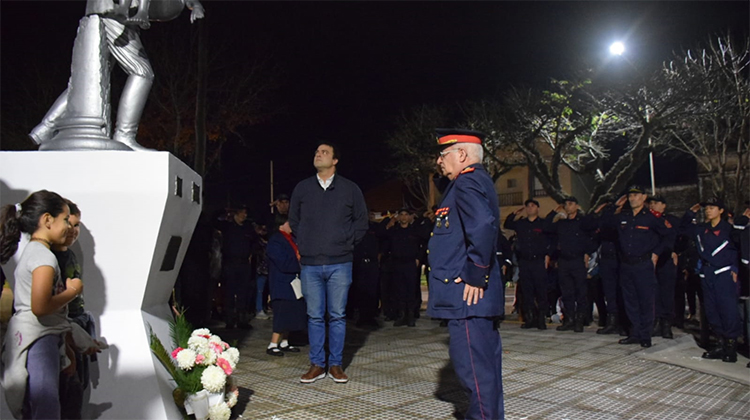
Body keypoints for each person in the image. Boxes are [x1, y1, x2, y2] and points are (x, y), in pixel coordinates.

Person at [29, 0, 205, 150]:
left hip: (114, 16)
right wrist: (142, 10)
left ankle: (45, 128)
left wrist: (194, 4)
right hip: (115, 15)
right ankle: (124, 134)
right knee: (142, 72)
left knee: (92, 79)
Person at [0, 190, 99, 419]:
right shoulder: (43, 258)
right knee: (46, 404)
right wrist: (73, 291)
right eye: (65, 220)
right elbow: (41, 306)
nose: (68, 227)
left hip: (41, 336)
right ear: (47, 220)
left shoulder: (36, 253)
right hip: (39, 339)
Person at [427, 129, 504, 419]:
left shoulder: (468, 181)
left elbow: (483, 225)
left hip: (468, 298)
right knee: (484, 373)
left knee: (475, 375)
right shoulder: (470, 181)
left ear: (461, 155)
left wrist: (475, 274)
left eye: (443, 154)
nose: (438, 161)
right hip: (471, 300)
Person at [289, 142, 368, 384]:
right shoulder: (302, 188)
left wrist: (345, 243)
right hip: (311, 264)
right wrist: (306, 243)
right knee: (314, 316)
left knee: (337, 315)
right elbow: (294, 221)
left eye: (324, 152)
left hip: (340, 263)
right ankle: (317, 365)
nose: (318, 155)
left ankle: (335, 364)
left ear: (335, 160)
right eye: (316, 152)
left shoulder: (349, 189)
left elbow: (362, 221)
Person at [602, 186, 672, 348]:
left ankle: (645, 335)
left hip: (643, 264)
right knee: (630, 301)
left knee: (646, 301)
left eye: (635, 195)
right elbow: (604, 222)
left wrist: (656, 253)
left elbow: (668, 236)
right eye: (630, 196)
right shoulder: (623, 216)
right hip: (626, 264)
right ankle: (635, 333)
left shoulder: (651, 217)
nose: (632, 198)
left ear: (643, 197)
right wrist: (615, 206)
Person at [681, 198, 742, 362]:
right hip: (706, 273)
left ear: (721, 210)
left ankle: (731, 347)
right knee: (711, 311)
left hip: (724, 273)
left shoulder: (729, 229)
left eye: (712, 207)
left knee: (727, 310)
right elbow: (682, 228)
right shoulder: (701, 229)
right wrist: (691, 212)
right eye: (706, 208)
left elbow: (740, 249)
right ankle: (720, 343)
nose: (708, 210)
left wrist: (735, 269)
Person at [545, 197, 595, 333]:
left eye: (571, 204)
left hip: (578, 260)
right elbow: (547, 227)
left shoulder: (582, 222)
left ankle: (580, 320)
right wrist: (554, 212)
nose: (568, 207)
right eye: (566, 204)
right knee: (567, 293)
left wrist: (587, 252)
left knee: (581, 292)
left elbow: (593, 234)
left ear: (576, 206)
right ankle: (569, 319)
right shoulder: (562, 224)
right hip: (564, 261)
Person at [504, 199, 550, 329]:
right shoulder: (521, 223)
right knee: (527, 291)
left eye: (533, 206)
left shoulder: (542, 224)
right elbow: (508, 224)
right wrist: (514, 213)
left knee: (541, 291)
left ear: (537, 208)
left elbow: (550, 238)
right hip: (524, 261)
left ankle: (541, 319)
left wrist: (547, 254)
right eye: (528, 206)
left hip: (538, 261)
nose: (530, 208)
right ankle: (529, 318)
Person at [265, 219, 306, 357]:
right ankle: (273, 344)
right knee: (282, 313)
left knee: (291, 311)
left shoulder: (292, 238)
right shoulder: (275, 240)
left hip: (293, 282)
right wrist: (299, 263)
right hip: (281, 282)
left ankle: (285, 342)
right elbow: (282, 261)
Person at [214, 205, 257, 329]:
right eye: (242, 213)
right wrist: (224, 210)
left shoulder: (248, 228)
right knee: (229, 292)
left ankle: (242, 320)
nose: (245, 215)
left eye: (245, 213)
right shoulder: (228, 227)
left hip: (244, 263)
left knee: (243, 293)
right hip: (230, 263)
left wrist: (251, 253)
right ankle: (230, 320)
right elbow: (214, 220)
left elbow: (255, 241)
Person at [384, 208, 427, 327]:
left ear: (409, 217)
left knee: (411, 290)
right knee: (399, 291)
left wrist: (419, 258)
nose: (403, 217)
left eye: (406, 215)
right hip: (397, 264)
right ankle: (401, 315)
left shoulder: (415, 231)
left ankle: (411, 316)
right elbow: (385, 243)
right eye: (401, 215)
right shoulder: (394, 231)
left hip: (410, 264)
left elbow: (423, 244)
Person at [647, 196, 680, 339]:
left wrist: (674, 251)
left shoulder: (669, 220)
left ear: (663, 206)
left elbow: (674, 237)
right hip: (650, 261)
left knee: (666, 294)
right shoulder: (646, 219)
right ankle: (656, 322)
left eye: (656, 203)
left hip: (665, 261)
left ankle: (666, 324)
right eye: (651, 203)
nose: (652, 205)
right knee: (654, 294)